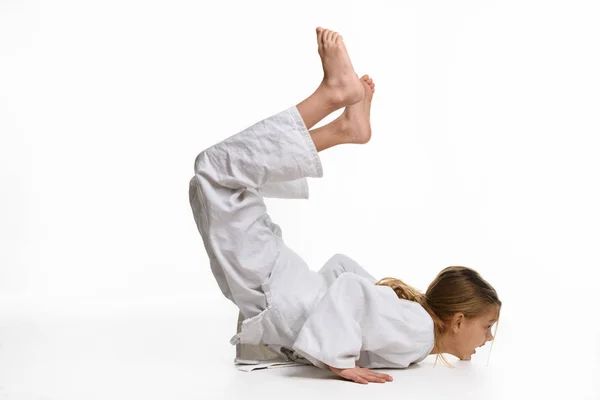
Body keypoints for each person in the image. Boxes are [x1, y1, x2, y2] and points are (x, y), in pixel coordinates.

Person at [188, 27, 502, 385]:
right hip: (284, 294)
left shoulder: (416, 335)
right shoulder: (417, 331)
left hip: (287, 293)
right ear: (458, 321)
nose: (489, 338)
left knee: (221, 176)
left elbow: (343, 273)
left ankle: (344, 126)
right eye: (487, 326)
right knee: (216, 170)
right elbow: (350, 286)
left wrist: (325, 339)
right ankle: (335, 101)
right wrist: (336, 357)